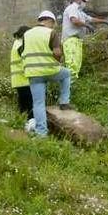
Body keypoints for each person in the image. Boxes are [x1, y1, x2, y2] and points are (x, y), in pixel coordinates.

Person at [23, 10, 73, 138]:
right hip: (49, 70)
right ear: (50, 21)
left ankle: (41, 134)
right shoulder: (51, 32)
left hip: (33, 73)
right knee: (67, 73)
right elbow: (57, 53)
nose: (53, 26)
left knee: (38, 103)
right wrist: (59, 60)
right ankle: (64, 102)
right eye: (53, 24)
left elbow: (22, 51)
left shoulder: (26, 34)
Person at [61, 0, 107, 79]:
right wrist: (87, 25)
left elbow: (91, 19)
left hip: (77, 41)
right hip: (70, 40)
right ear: (78, 0)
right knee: (72, 63)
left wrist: (105, 21)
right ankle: (70, 85)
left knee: (77, 64)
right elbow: (74, 20)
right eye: (84, 1)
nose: (84, 3)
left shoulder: (80, 12)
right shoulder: (72, 8)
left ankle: (73, 84)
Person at [10, 25, 33, 118]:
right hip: (24, 80)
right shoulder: (21, 45)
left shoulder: (16, 43)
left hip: (18, 80)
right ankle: (30, 123)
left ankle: (21, 122)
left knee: (22, 105)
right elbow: (27, 60)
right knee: (29, 105)